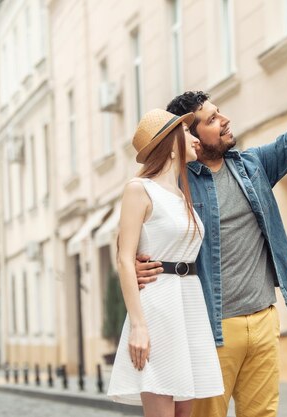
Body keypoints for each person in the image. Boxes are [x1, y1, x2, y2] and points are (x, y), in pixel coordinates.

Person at [135, 52, 287, 417]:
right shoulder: (175, 184)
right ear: (190, 137)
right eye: (212, 119)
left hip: (264, 319)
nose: (225, 120)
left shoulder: (253, 167)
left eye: (221, 113)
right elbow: (134, 234)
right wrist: (136, 264)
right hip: (211, 328)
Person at [107, 109, 225, 417]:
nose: (194, 137)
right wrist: (138, 326)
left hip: (189, 304)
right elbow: (124, 257)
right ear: (171, 144)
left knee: (186, 412)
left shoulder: (180, 193)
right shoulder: (139, 189)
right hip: (159, 305)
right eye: (186, 132)